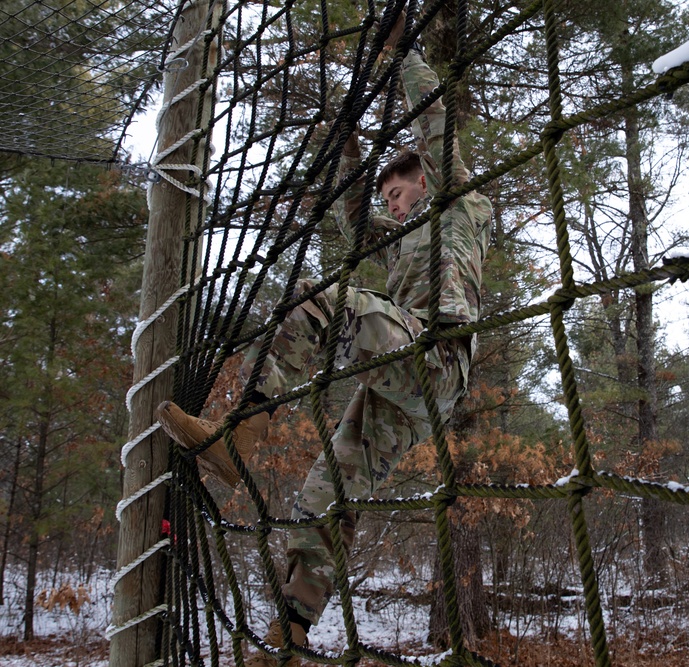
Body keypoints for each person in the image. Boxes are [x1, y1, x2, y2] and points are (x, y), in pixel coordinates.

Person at [155, 14, 491, 666]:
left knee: (316, 302)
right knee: (326, 489)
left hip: (439, 355)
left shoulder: (461, 201)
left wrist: (403, 56)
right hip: (408, 381)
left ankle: (241, 433)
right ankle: (292, 630)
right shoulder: (397, 249)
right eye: (387, 197)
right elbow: (350, 225)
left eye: (399, 191)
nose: (393, 205)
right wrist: (344, 147)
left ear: (425, 178)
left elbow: (434, 121)